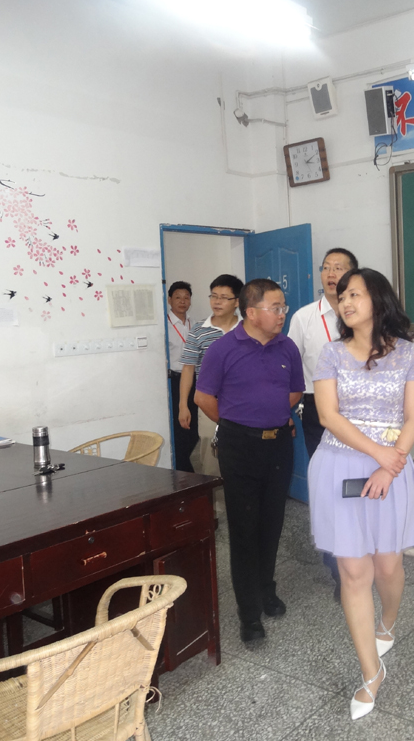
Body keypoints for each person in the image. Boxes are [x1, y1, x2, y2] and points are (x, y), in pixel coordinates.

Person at [308, 268, 414, 720]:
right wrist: (378, 455)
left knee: (387, 565)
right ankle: (371, 671)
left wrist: (389, 463)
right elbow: (328, 415)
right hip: (340, 465)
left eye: (354, 294)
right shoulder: (331, 354)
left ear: (378, 299)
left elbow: (413, 417)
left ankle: (388, 621)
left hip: (390, 470)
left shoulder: (409, 355)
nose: (345, 302)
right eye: (341, 296)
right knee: (354, 572)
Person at [195, 278, 304, 643]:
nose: (283, 314)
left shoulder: (287, 347)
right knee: (244, 528)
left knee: (272, 523)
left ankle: (266, 589)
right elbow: (203, 398)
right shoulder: (223, 349)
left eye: (284, 307)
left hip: (279, 445)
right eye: (276, 308)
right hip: (239, 447)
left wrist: (269, 413)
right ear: (252, 312)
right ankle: (248, 612)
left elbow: (294, 392)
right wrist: (238, 422)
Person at [287, 247, 358, 601]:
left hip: (359, 407)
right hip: (317, 408)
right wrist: (290, 408)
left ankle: (359, 554)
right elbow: (289, 366)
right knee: (329, 486)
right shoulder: (304, 317)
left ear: (353, 274)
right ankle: (337, 568)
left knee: (357, 483)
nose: (331, 273)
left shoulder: (362, 312)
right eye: (326, 267)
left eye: (339, 267)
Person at [178, 274, 242, 477]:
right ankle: (216, 497)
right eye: (213, 296)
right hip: (208, 401)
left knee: (242, 454)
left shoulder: (248, 328)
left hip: (243, 402)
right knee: (210, 458)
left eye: (224, 297)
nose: (217, 301)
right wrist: (183, 405)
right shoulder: (198, 330)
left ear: (237, 301)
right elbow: (188, 368)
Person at [166, 281, 197, 472]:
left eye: (186, 297)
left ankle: (193, 469)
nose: (182, 301)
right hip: (175, 380)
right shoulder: (165, 325)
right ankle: (183, 471)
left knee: (194, 426)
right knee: (180, 427)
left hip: (196, 380)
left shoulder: (195, 324)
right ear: (169, 300)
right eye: (178, 297)